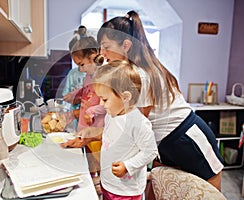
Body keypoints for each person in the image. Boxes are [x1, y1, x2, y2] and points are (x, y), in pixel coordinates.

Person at [61, 10, 224, 191]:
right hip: (164, 141)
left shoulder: (140, 75)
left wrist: (92, 134)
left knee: (210, 191)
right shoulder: (126, 72)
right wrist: (90, 134)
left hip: (186, 136)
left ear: (126, 45)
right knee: (161, 189)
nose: (102, 53)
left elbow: (131, 126)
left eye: (106, 46)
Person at [92, 60, 158, 199]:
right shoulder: (111, 115)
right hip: (109, 183)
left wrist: (128, 166)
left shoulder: (138, 123)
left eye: (104, 99)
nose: (101, 104)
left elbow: (151, 151)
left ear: (126, 97)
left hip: (126, 191)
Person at [63, 35, 106, 194]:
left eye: (81, 65)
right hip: (84, 127)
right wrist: (75, 94)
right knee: (90, 164)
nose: (80, 70)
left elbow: (107, 102)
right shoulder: (89, 75)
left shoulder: (104, 75)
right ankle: (91, 187)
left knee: (100, 163)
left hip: (97, 130)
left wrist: (92, 111)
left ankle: (103, 188)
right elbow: (87, 90)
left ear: (94, 56)